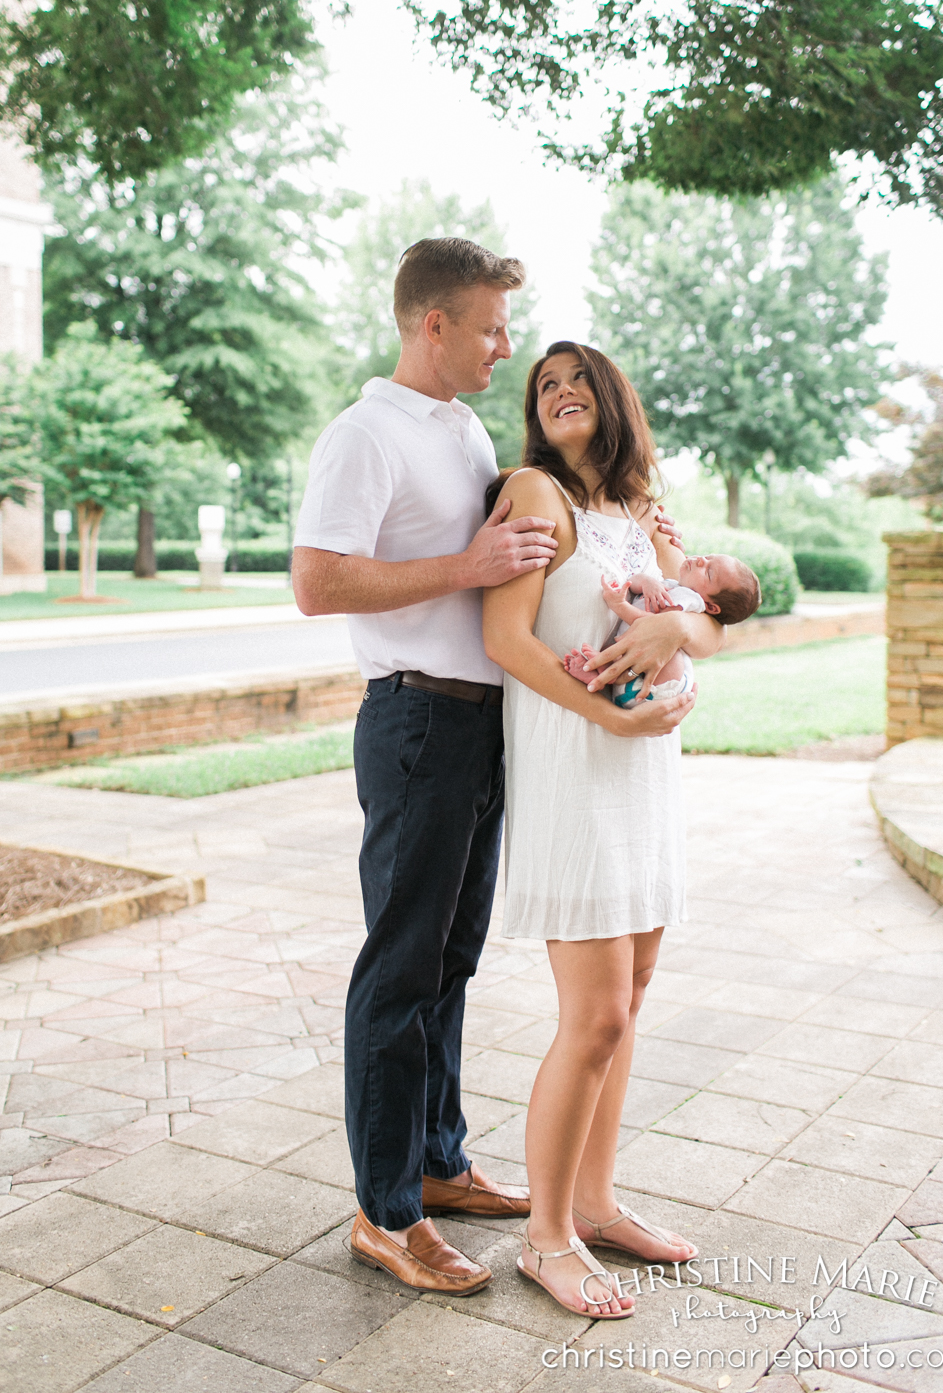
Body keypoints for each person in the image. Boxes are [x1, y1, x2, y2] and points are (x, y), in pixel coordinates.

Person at [293, 238, 561, 1296]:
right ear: (431, 325)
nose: (506, 345)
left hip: (477, 727)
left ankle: (439, 1164)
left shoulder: (462, 427)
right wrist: (471, 566)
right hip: (412, 724)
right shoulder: (365, 435)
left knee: (451, 963)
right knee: (399, 971)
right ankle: (385, 1212)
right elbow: (317, 582)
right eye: (490, 326)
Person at [482, 340, 725, 1319]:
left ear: (613, 400)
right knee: (595, 1018)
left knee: (633, 995)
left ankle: (596, 1201)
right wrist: (613, 712)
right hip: (575, 771)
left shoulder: (638, 511)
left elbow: (701, 618)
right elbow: (505, 638)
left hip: (644, 777)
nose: (561, 394)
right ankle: (546, 1239)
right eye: (545, 385)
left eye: (579, 381)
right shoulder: (533, 492)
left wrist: (678, 634)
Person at [565, 555, 761, 707]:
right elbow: (632, 582)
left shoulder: (688, 601)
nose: (701, 560)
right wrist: (647, 582)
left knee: (667, 654)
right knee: (634, 648)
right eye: (709, 557)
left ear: (710, 607)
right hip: (638, 675)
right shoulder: (675, 586)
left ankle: (605, 674)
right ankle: (603, 672)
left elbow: (654, 627)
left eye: (709, 572)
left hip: (658, 689)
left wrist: (620, 607)